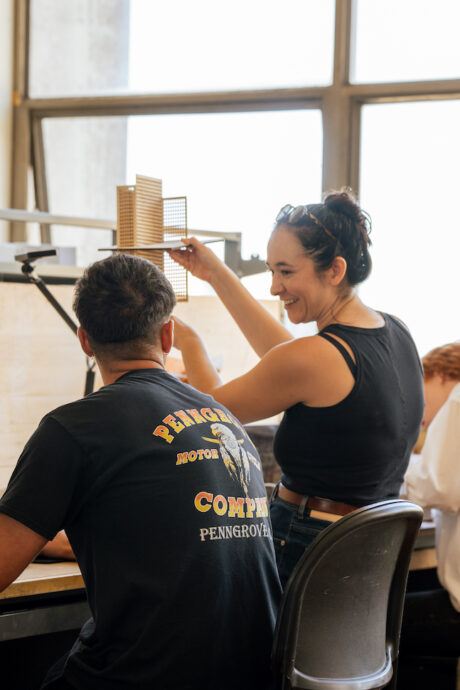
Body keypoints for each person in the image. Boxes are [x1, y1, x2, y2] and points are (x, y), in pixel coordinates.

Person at [0, 254, 281, 690]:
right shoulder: (222, 416)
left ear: (84, 341)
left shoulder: (73, 429)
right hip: (251, 675)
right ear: (168, 335)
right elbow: (168, 532)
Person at [169, 189, 424, 587]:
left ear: (335, 270)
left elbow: (205, 416)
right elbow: (287, 355)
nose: (274, 287)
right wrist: (215, 275)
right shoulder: (395, 332)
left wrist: (190, 344)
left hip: (306, 548)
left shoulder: (314, 358)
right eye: (272, 271)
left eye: (286, 272)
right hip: (363, 561)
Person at [399, 342, 460, 687]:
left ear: (438, 374)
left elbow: (440, 487)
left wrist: (394, 465)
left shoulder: (457, 399)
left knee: (373, 623)